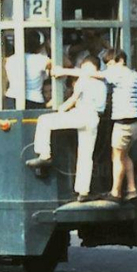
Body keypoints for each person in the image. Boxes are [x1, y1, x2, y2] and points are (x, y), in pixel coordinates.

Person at [53, 48, 137, 202]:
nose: (108, 67)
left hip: (123, 122)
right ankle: (131, 189)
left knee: (117, 157)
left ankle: (116, 193)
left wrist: (63, 71)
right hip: (136, 123)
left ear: (121, 61)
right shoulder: (136, 76)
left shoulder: (118, 73)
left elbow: (90, 74)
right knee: (125, 155)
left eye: (110, 63)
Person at [26, 56, 107, 201]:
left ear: (89, 66)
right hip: (94, 118)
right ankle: (83, 191)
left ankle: (44, 154)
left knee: (44, 120)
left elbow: (73, 98)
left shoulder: (84, 79)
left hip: (81, 114)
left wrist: (61, 109)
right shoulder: (103, 83)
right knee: (86, 155)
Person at [5, 30, 51, 109]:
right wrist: (48, 47)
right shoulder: (42, 60)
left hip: (12, 97)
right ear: (39, 45)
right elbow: (65, 63)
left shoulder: (10, 59)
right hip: (34, 99)